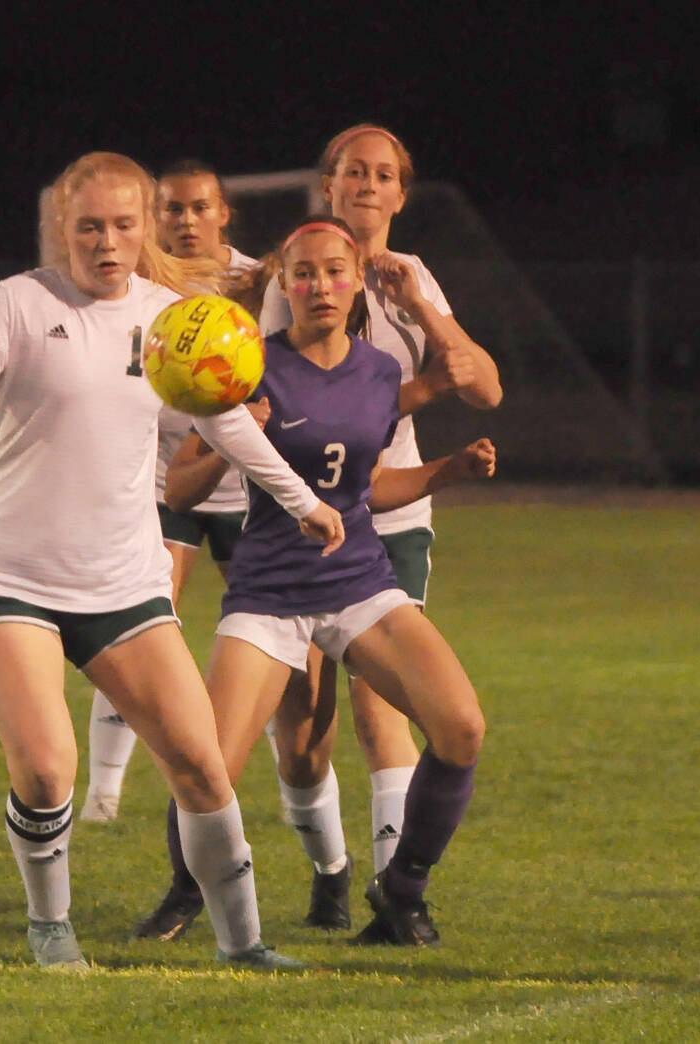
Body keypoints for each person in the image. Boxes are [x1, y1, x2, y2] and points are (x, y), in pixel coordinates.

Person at [0, 151, 344, 971]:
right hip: (9, 575)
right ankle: (51, 927)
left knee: (200, 762)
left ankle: (244, 945)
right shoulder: (19, 302)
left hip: (123, 583)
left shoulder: (171, 319)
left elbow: (224, 421)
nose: (108, 242)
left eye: (124, 225)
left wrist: (303, 501)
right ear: (63, 229)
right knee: (49, 770)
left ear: (145, 227)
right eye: (90, 226)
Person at [138, 215, 492, 947]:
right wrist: (237, 447)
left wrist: (447, 473)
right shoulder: (247, 367)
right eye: (304, 273)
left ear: (358, 280)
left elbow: (363, 490)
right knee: (208, 767)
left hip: (360, 583)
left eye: (335, 270)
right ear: (284, 285)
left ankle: (402, 891)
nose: (320, 285)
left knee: (460, 727)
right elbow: (179, 492)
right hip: (268, 595)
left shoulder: (378, 372)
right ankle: (184, 892)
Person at [258, 125, 502, 937]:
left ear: (401, 195)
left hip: (390, 520)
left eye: (384, 174)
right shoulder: (290, 277)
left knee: (381, 711)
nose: (366, 184)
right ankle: (330, 872)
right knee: (304, 735)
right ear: (327, 186)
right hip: (299, 524)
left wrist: (424, 310)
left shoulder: (414, 281)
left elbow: (485, 387)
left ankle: (401, 895)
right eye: (352, 172)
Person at [80, 160, 264, 825]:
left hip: (243, 485)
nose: (186, 221)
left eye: (199, 208)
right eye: (173, 209)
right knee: (136, 620)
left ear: (224, 214)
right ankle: (104, 791)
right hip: (163, 482)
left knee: (266, 630)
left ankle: (280, 771)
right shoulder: (137, 279)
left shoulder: (261, 280)